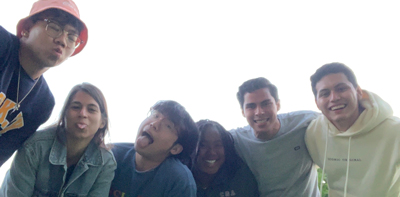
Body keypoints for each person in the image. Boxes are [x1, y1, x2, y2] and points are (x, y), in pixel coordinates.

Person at [0, 0, 88, 166]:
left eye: (72, 37)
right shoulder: (2, 44)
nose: (63, 40)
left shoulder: (43, 103)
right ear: (26, 29)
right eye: (54, 27)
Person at [0, 83, 116, 196]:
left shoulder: (105, 162)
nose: (83, 114)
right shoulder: (35, 146)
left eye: (91, 109)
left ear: (102, 122)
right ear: (64, 114)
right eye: (76, 107)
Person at [305, 62, 400, 196]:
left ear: (358, 92)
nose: (334, 98)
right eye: (325, 93)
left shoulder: (394, 130)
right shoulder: (313, 133)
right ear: (317, 102)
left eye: (341, 89)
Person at [230, 77, 320, 196]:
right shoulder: (236, 139)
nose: (259, 112)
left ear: (277, 105)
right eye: (251, 106)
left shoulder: (305, 121)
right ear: (243, 112)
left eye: (266, 104)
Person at [109, 100, 199, 197]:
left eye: (168, 126)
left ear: (175, 149)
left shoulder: (179, 180)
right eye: (155, 116)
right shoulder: (112, 155)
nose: (154, 124)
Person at [192, 119, 259, 197]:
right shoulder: (181, 177)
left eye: (218, 145)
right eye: (203, 145)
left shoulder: (240, 177)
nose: (212, 152)